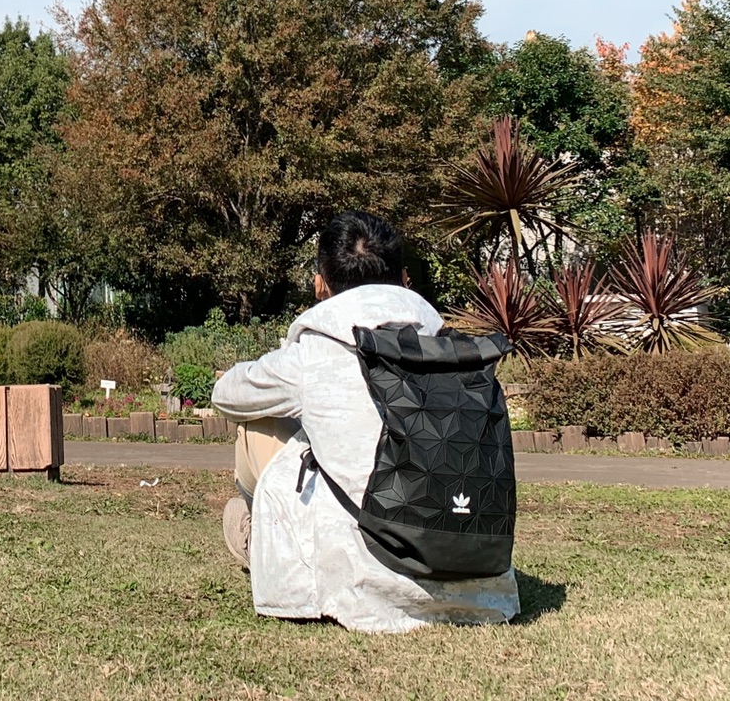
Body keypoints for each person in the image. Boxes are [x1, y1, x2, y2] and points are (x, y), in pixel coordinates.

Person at [211, 211, 520, 632]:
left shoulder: (316, 350)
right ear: (405, 279)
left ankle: (259, 539)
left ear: (321, 282)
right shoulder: (454, 349)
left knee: (258, 424)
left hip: (366, 561)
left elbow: (227, 394)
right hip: (472, 557)